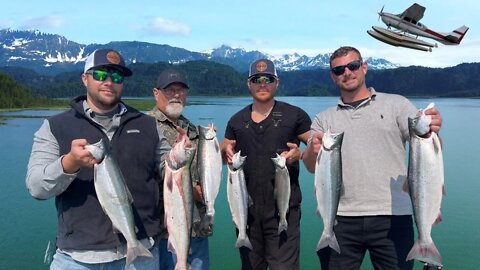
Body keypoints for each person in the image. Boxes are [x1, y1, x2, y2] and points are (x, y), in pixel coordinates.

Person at [26, 48, 170, 270]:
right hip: (77, 259)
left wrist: (184, 155)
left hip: (142, 253)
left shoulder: (148, 125)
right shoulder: (55, 127)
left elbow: (170, 172)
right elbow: (36, 187)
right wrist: (69, 164)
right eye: (101, 75)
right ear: (85, 79)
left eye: (117, 76)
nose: (109, 82)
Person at [302, 46, 443, 270]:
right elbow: (310, 166)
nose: (346, 72)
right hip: (340, 218)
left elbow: (426, 147)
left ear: (364, 67)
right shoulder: (323, 119)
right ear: (332, 76)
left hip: (393, 216)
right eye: (339, 70)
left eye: (353, 66)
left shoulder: (397, 104)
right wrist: (313, 149)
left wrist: (431, 130)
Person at [221, 59, 311, 270]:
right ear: (249, 84)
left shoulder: (295, 115)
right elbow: (220, 151)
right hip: (247, 213)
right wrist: (222, 150)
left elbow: (318, 149)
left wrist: (300, 155)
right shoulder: (236, 120)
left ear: (276, 82)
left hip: (284, 213)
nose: (262, 84)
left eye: (268, 79)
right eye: (257, 79)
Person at [148, 69, 212, 270]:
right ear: (156, 93)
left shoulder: (193, 130)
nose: (176, 94)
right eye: (170, 90)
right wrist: (189, 189)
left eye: (181, 90)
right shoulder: (144, 126)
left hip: (197, 230)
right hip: (161, 231)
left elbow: (206, 172)